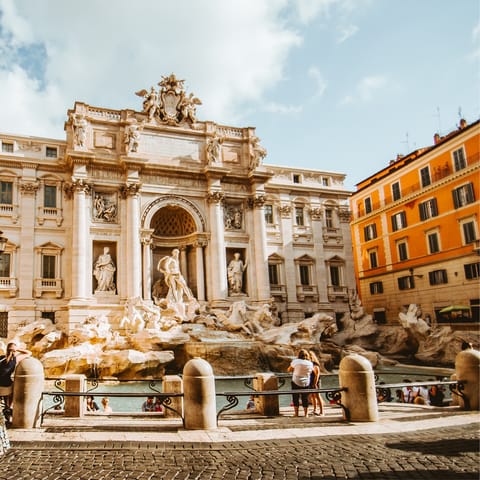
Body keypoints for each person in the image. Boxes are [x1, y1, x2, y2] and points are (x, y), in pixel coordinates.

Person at [0, 342, 32, 410]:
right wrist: (17, 349)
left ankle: (6, 405)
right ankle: (8, 406)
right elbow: (29, 353)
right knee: (15, 386)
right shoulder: (15, 359)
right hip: (6, 386)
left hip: (2, 385)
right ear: (14, 351)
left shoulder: (1, 358)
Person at [288, 349, 313, 417]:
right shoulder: (310, 363)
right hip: (306, 382)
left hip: (296, 381)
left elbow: (289, 369)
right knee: (305, 398)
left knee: (295, 397)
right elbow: (310, 372)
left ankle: (296, 413)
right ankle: (306, 414)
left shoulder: (296, 361)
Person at [308, 350, 325, 416]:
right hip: (311, 382)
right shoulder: (310, 364)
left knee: (318, 396)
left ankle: (322, 411)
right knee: (312, 396)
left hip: (315, 382)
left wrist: (315, 383)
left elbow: (317, 375)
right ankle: (315, 409)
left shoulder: (315, 365)